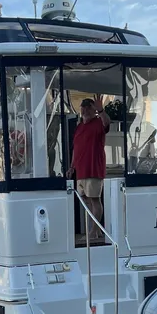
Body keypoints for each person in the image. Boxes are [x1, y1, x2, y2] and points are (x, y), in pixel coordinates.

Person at [66, 95, 111, 239]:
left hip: (93, 168)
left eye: (88, 107)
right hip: (81, 170)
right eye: (83, 107)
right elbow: (76, 149)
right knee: (86, 201)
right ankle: (96, 231)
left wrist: (101, 110)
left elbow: (107, 123)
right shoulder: (79, 127)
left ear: (93, 110)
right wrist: (72, 167)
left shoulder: (98, 123)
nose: (85, 110)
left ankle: (93, 232)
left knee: (95, 200)